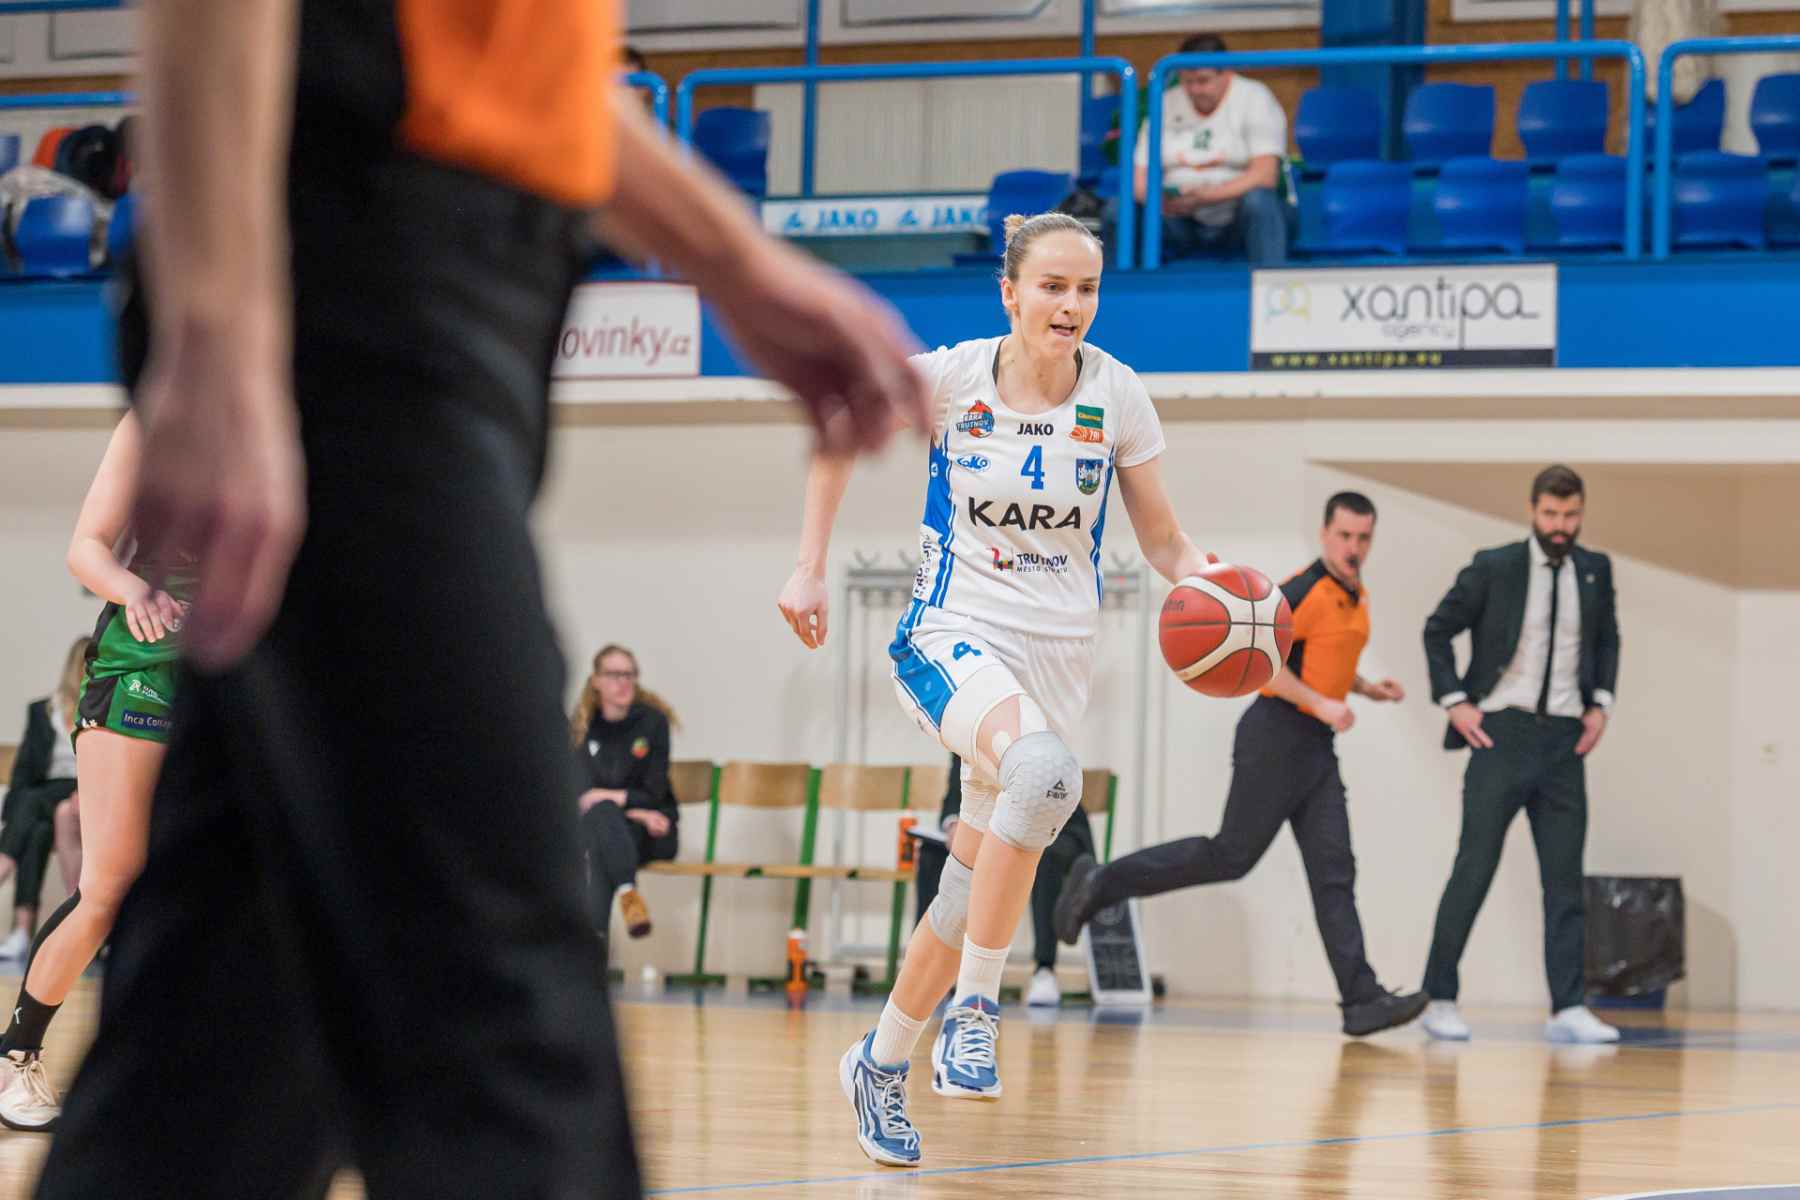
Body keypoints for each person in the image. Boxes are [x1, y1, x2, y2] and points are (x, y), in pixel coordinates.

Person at [36, 0, 928, 1195]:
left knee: (220, 1039)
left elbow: (522, 60)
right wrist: (221, 328)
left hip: (470, 274)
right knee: (505, 1005)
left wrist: (740, 264)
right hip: (350, 263)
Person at [779, 210, 1216, 1168]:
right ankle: (976, 1010)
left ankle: (880, 1061)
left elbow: (1165, 543)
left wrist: (1225, 590)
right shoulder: (951, 378)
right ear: (1010, 292)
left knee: (972, 880)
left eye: (1086, 289)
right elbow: (838, 429)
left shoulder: (1118, 394)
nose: (1071, 305)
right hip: (950, 634)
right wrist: (809, 568)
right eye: (1052, 287)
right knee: (1046, 776)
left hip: (1056, 660)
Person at [1052, 492, 1428, 1038]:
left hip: (1316, 747)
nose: (1354, 547)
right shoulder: (1300, 592)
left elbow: (1319, 660)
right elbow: (1266, 663)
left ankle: (1361, 1000)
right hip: (1275, 737)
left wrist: (1365, 688)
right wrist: (1320, 703)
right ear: (1325, 534)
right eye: (1345, 536)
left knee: (1334, 871)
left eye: (1363, 538)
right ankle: (1102, 880)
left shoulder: (1355, 594)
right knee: (1230, 855)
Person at [0, 404, 191, 1135]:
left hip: (240, 671)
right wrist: (134, 589)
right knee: (110, 884)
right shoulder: (156, 417)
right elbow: (86, 548)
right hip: (142, 669)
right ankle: (16, 1055)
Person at [1419, 464, 1622, 1046]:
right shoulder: (1496, 566)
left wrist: (1601, 705)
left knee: (1564, 881)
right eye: (1551, 514)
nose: (1561, 526)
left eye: (1571, 515)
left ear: (1581, 513)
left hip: (1564, 740)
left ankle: (1568, 1007)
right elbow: (1437, 629)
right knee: (1474, 867)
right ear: (1533, 510)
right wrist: (1455, 701)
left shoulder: (1595, 570)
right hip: (1500, 734)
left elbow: (1607, 638)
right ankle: (1440, 997)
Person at [915, 754, 1094, 1008]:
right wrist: (954, 824)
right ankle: (933, 973)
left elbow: (1051, 792)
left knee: (1044, 857)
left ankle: (1045, 969)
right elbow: (955, 793)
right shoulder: (965, 741)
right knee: (932, 854)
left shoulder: (1036, 737)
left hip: (1052, 826)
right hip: (991, 828)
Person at [1134, 33, 1288, 265]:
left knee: (1259, 202)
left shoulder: (1255, 97)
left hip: (1238, 216)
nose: (1195, 90)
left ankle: (1270, 284)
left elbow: (1265, 175)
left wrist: (1207, 196)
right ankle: (1119, 286)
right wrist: (1162, 202)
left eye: (1203, 81)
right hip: (1179, 218)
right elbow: (1139, 180)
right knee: (1120, 211)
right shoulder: (1164, 102)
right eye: (1187, 81)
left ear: (1227, 73)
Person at [571, 644, 679, 945]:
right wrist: (635, 810)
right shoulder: (583, 726)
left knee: (601, 840)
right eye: (614, 674)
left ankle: (593, 948)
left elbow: (654, 792)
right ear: (596, 681)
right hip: (624, 823)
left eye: (629, 674)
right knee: (603, 830)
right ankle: (628, 894)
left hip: (655, 831)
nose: (623, 682)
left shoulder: (653, 723)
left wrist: (607, 798)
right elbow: (580, 796)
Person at [0, 639, 89, 961]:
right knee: (35, 830)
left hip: (81, 791)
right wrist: (11, 818)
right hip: (42, 795)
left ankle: (3, 861)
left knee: (35, 803)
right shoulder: (43, 711)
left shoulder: (100, 709)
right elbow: (24, 771)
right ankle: (22, 934)